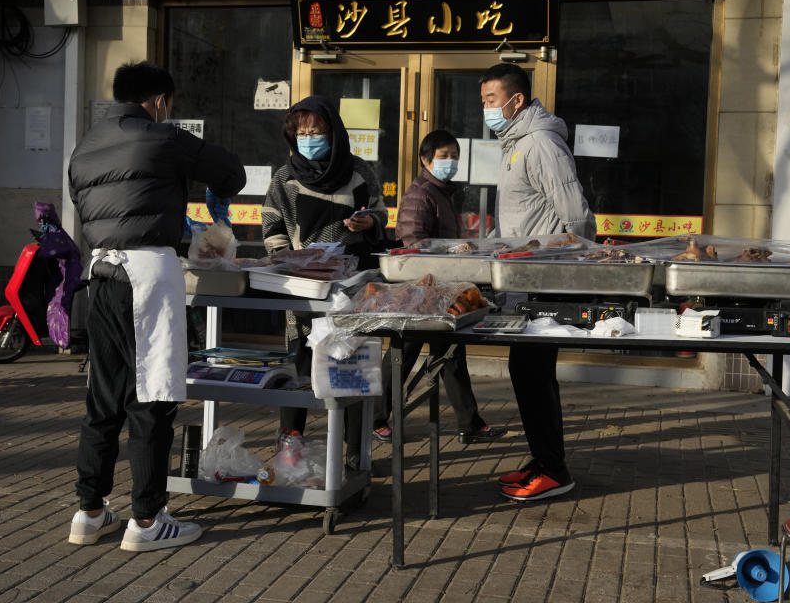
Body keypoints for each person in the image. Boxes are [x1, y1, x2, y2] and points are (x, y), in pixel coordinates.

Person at [67, 61, 246, 550]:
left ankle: (89, 511)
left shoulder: (84, 148)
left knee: (104, 399)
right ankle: (147, 521)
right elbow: (231, 172)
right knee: (153, 397)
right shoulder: (164, 137)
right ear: (161, 101)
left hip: (99, 273)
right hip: (146, 274)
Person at [479, 63, 595, 501]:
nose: (486, 109)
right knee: (527, 371)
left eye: (491, 101)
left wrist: (577, 270)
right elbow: (519, 218)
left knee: (531, 371)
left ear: (516, 101)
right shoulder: (515, 145)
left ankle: (553, 469)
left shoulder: (541, 144)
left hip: (545, 280)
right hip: (523, 278)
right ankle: (543, 458)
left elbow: (577, 214)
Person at [261, 95, 388, 467]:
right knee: (299, 367)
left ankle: (353, 454)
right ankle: (290, 449)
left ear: (334, 133)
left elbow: (380, 213)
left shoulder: (359, 172)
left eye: (316, 131)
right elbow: (272, 228)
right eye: (302, 132)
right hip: (303, 288)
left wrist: (371, 222)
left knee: (352, 366)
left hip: (351, 289)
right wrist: (292, 262)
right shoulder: (284, 180)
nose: (309, 138)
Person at [372, 129, 507, 445]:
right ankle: (374, 418)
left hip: (440, 289)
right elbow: (412, 242)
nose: (451, 162)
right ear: (425, 159)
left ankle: (469, 423)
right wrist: (448, 255)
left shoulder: (441, 192)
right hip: (421, 291)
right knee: (402, 355)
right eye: (444, 156)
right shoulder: (421, 194)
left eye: (455, 156)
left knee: (450, 353)